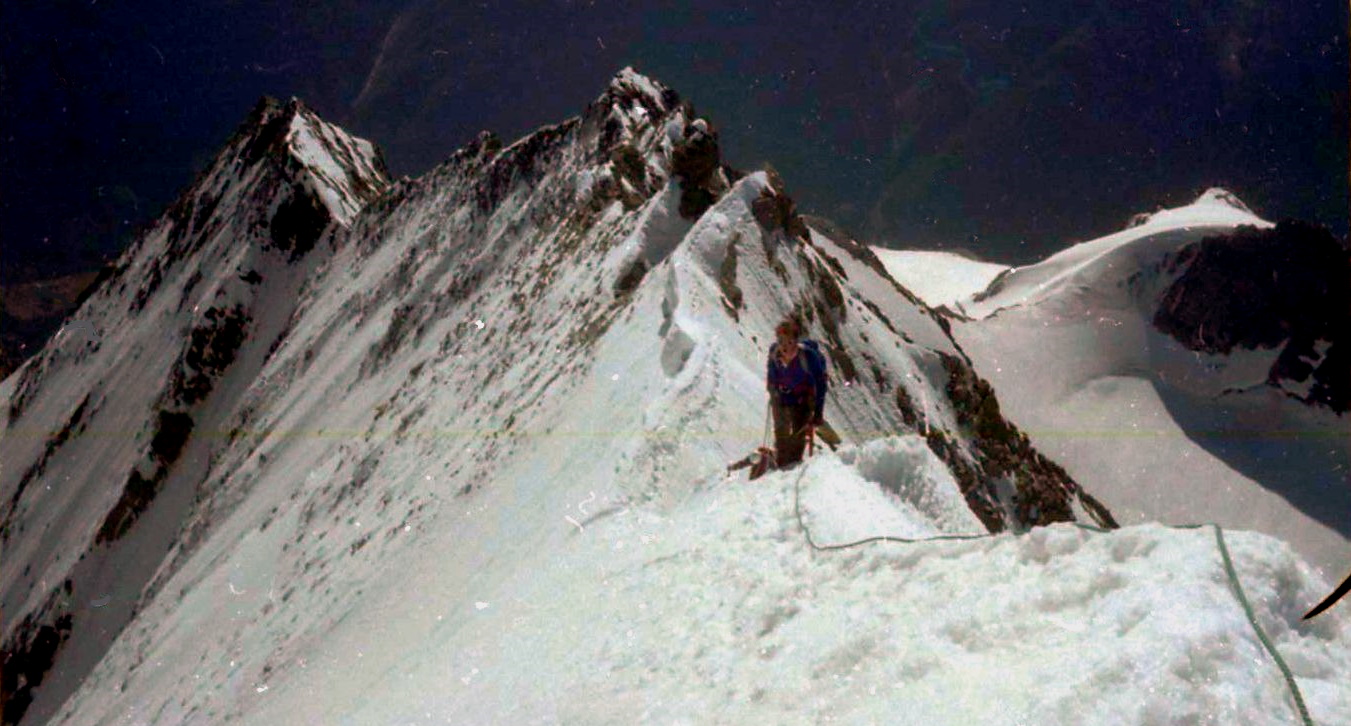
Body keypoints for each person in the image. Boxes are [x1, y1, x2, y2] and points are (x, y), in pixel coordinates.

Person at [766, 317, 828, 468]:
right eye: (781, 341)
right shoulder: (774, 356)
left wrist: (818, 412)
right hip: (782, 395)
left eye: (789, 342)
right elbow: (772, 379)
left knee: (798, 436)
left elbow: (820, 385)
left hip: (803, 399)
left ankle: (792, 465)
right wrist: (774, 394)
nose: (785, 347)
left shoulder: (808, 357)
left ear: (796, 341)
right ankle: (781, 464)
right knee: (781, 434)